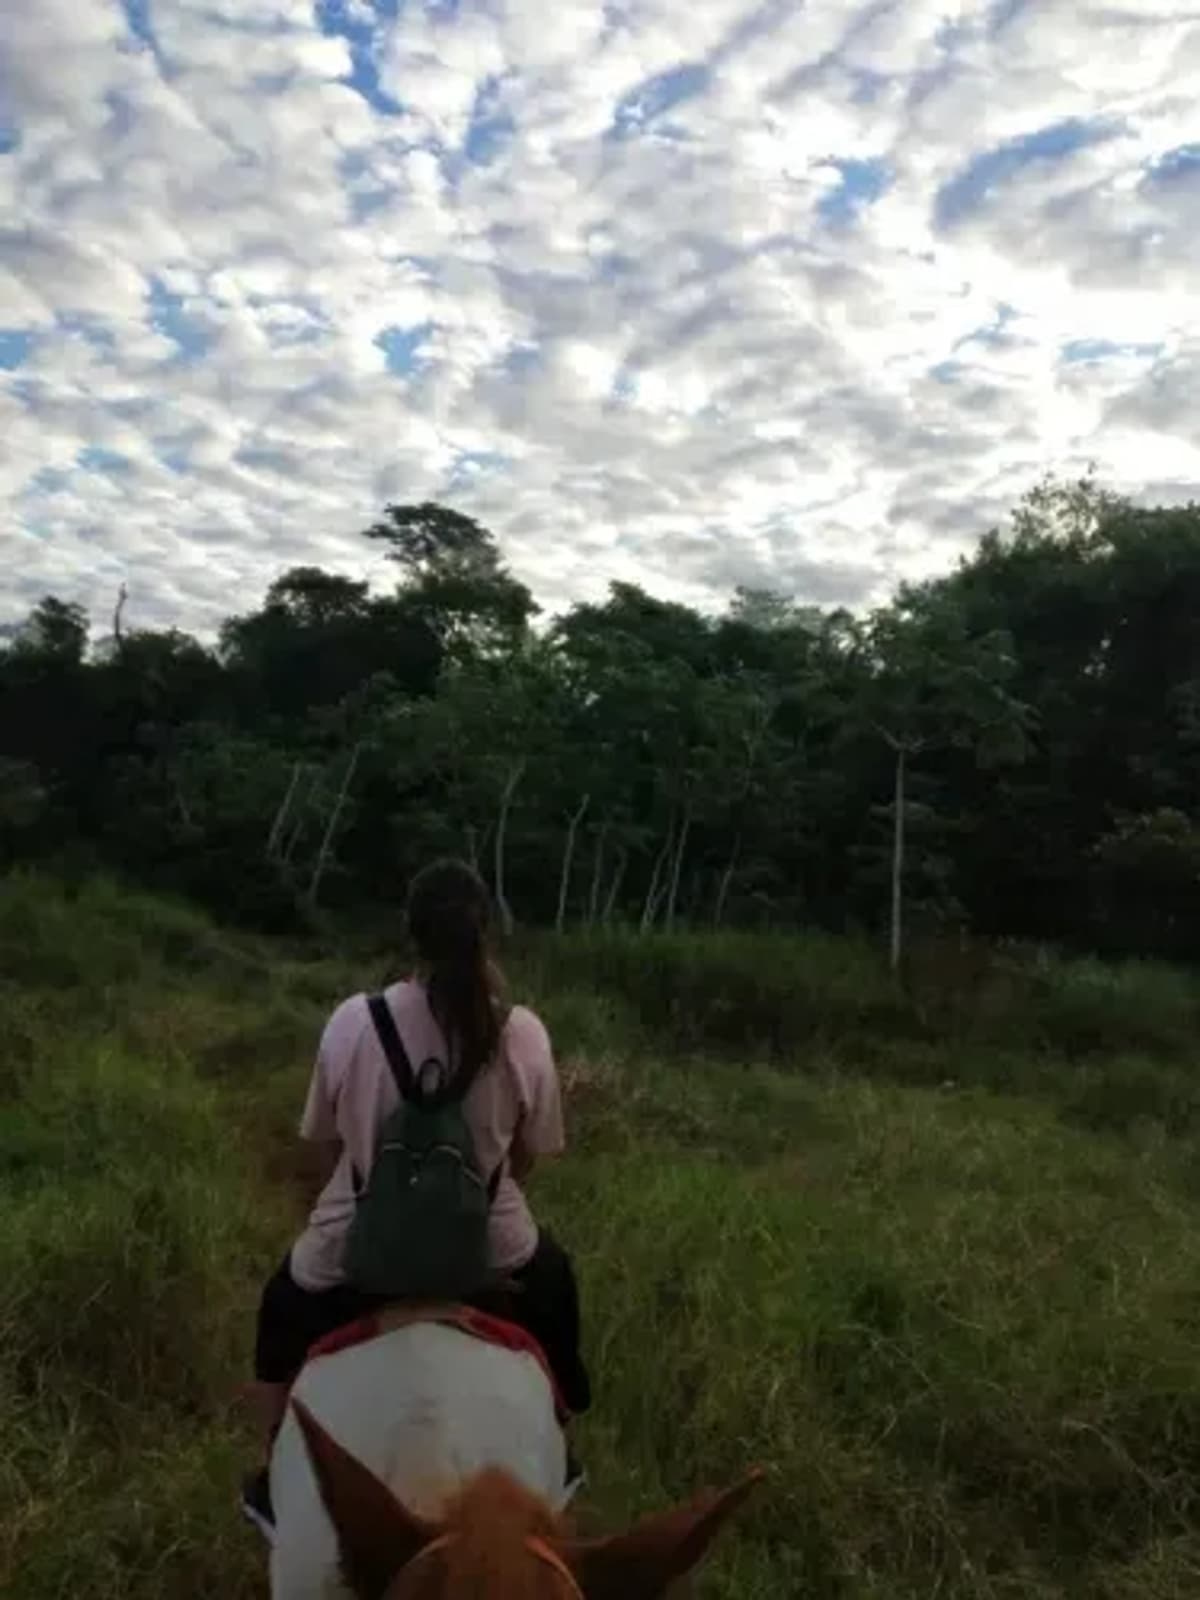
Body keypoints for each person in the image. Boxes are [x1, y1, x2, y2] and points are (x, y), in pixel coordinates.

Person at [241, 858, 590, 1536]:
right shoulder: (523, 1031)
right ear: (487, 934)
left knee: (281, 1302)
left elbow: (325, 1145)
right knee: (556, 1283)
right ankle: (561, 1440)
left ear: (411, 934)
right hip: (490, 1247)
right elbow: (528, 1156)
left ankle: (273, 1472)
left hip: (355, 1242)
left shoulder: (353, 1021)